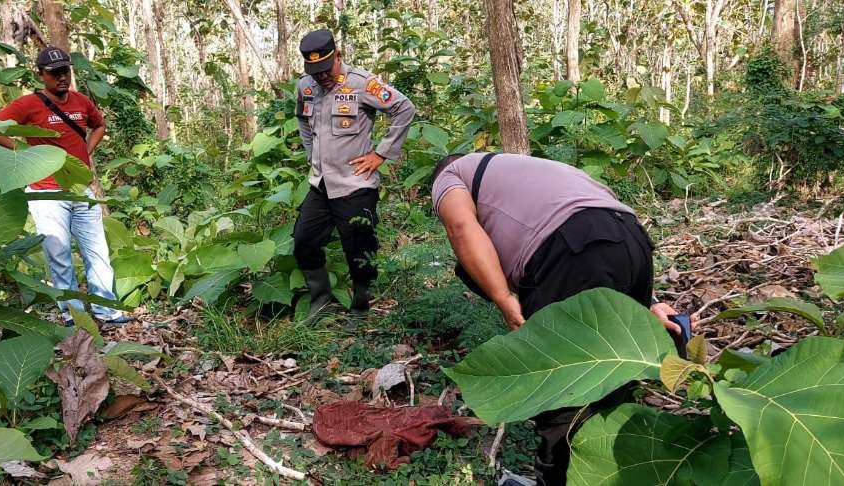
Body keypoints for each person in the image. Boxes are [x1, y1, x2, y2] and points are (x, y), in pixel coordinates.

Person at [430, 152, 688, 485]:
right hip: (632, 241)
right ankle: (608, 470)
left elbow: (461, 227)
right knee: (617, 369)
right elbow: (602, 226)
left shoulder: (450, 174)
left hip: (568, 251)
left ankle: (557, 479)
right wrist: (649, 302)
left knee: (559, 382)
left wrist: (503, 297)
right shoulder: (529, 169)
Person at [0, 46, 130, 326]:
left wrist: (87, 150)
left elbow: (99, 125)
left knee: (97, 249)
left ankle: (106, 310)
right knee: (59, 253)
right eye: (54, 73)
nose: (62, 77)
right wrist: (23, 151)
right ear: (41, 76)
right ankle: (73, 314)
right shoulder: (28, 104)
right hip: (46, 191)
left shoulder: (81, 101)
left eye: (65, 71)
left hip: (80, 189)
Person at [292, 29, 416, 315]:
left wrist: (381, 153)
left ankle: (361, 307)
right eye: (315, 71)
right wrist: (312, 155)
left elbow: (404, 108)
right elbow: (302, 120)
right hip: (321, 184)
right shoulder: (306, 87)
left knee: (359, 249)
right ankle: (321, 301)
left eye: (325, 69)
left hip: (355, 185)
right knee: (304, 241)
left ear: (337, 56)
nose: (321, 77)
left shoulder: (362, 84)